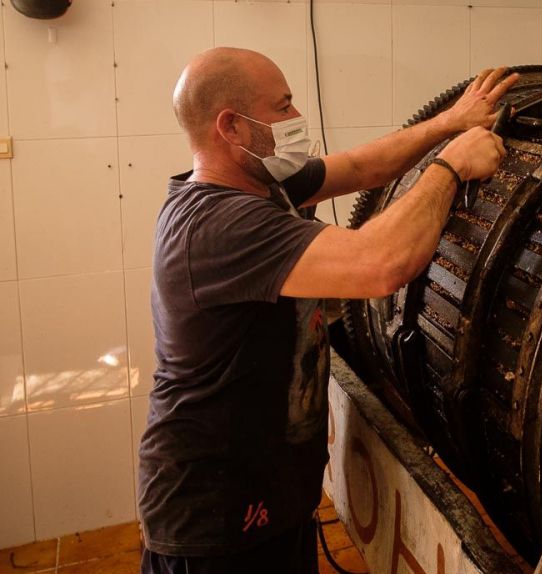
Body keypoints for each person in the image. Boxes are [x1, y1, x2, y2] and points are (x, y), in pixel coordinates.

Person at [137, 47, 518, 574]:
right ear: (232, 127)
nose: (297, 119)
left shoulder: (263, 186)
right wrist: (452, 165)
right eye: (283, 106)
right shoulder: (219, 225)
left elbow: (363, 167)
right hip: (215, 518)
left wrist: (447, 124)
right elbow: (381, 263)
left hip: (271, 496)